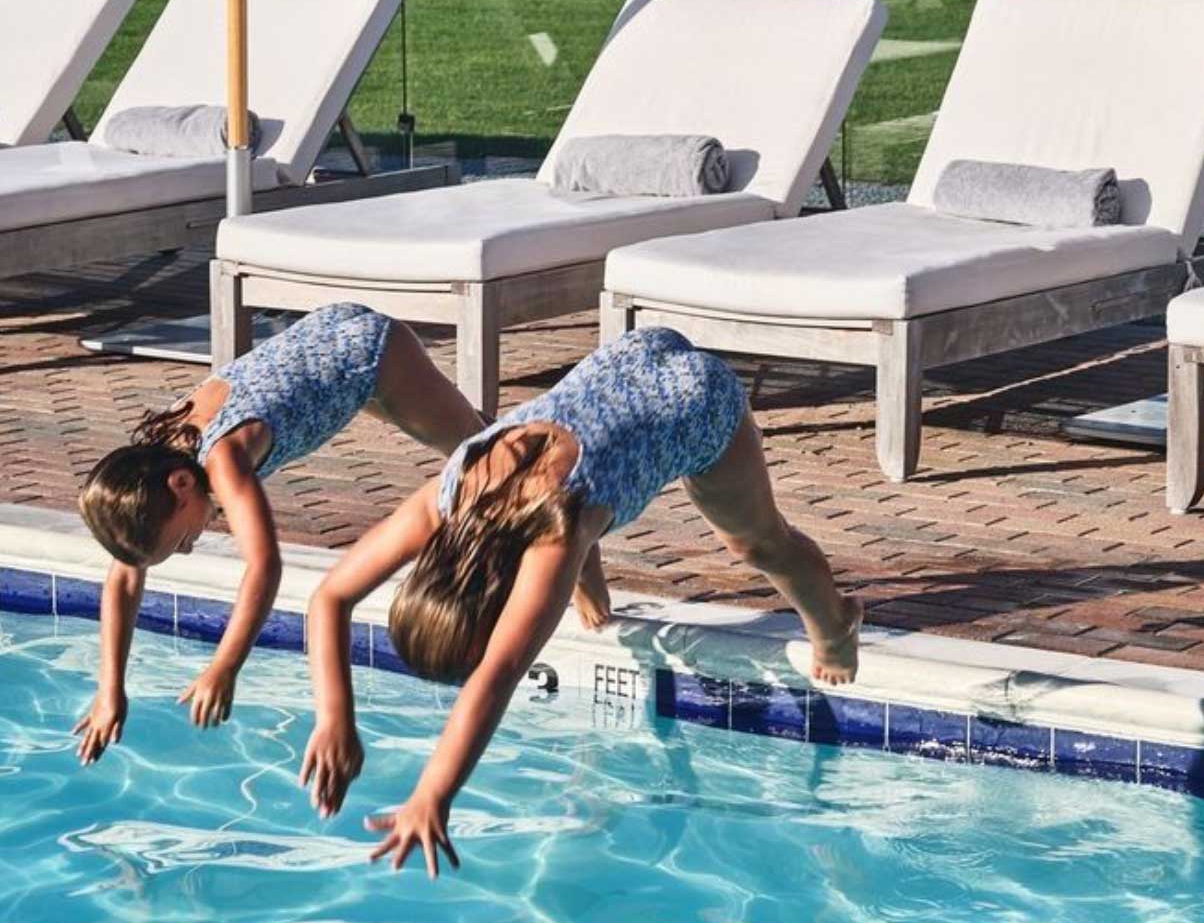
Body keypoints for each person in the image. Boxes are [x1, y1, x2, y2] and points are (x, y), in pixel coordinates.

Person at [301, 326, 863, 875]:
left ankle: (835, 625)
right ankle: (590, 586)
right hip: (623, 361)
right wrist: (333, 719)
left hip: (693, 398)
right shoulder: (454, 488)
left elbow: (495, 678)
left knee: (758, 543)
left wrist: (431, 795)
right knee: (576, 510)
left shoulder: (553, 539)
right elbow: (330, 598)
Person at [71, 303, 481, 765]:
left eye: (178, 541)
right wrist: (110, 691)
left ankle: (576, 564)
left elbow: (264, 566)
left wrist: (226, 666)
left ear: (181, 486)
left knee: (483, 457)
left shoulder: (222, 460)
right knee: (471, 436)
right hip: (329, 352)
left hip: (369, 355)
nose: (186, 550)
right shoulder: (157, 463)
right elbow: (125, 578)